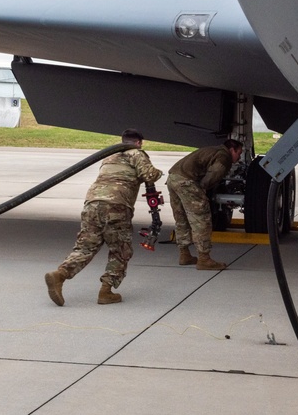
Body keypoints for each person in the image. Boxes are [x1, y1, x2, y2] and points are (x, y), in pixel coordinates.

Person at [44, 129, 163, 306]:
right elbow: (149, 175)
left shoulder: (109, 156)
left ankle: (60, 274)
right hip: (116, 205)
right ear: (138, 142)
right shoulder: (136, 153)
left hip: (92, 203)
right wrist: (159, 172)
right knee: (120, 250)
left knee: (85, 247)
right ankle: (106, 291)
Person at [166, 139, 243, 270]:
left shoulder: (213, 149)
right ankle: (204, 259)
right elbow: (212, 176)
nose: (239, 157)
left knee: (181, 218)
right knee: (201, 219)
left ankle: (184, 254)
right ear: (231, 150)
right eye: (239, 153)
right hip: (187, 181)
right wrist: (202, 190)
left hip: (173, 178)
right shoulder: (224, 157)